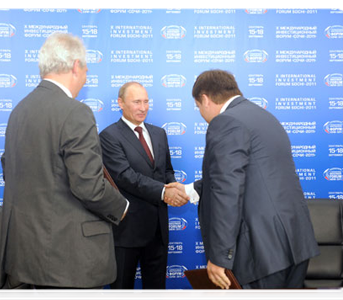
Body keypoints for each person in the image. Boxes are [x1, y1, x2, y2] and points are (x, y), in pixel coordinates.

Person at [0, 32, 128, 298]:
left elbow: (14, 174)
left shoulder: (19, 112)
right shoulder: (75, 112)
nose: (85, 78)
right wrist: (122, 207)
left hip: (30, 257)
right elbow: (89, 187)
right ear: (75, 66)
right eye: (86, 70)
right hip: (69, 260)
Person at [168, 69, 319, 290]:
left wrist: (220, 257)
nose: (200, 112)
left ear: (205, 99)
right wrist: (190, 190)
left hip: (262, 253)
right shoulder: (263, 117)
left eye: (198, 106)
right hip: (295, 245)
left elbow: (227, 190)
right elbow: (247, 174)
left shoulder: (225, 122)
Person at [99, 82, 189, 294]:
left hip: (158, 230)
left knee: (157, 292)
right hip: (126, 230)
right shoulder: (109, 136)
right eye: (136, 102)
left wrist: (174, 188)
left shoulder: (159, 134)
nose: (143, 107)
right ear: (120, 103)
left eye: (146, 101)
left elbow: (166, 170)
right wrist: (164, 192)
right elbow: (125, 176)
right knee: (122, 291)